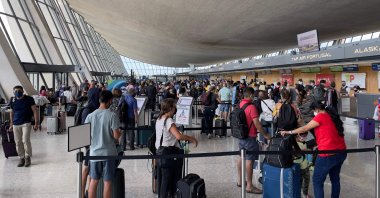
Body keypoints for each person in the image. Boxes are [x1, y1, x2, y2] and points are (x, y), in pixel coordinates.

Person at [280, 101, 346, 198]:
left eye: (313, 111)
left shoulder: (320, 116)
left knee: (317, 181)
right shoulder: (332, 116)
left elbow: (304, 129)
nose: (313, 113)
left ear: (317, 109)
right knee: (335, 179)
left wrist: (288, 132)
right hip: (341, 152)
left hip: (327, 154)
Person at [155, 98, 198, 198]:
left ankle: (166, 195)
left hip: (160, 151)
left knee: (165, 176)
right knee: (169, 177)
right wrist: (192, 139)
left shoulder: (159, 118)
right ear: (170, 108)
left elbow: (167, 134)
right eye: (174, 107)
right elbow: (178, 136)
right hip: (168, 152)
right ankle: (168, 194)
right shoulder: (169, 120)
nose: (175, 109)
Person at [85, 90, 121, 198]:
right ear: (110, 101)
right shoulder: (112, 116)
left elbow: (86, 137)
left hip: (94, 153)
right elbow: (116, 136)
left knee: (93, 181)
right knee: (107, 182)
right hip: (109, 154)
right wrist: (119, 133)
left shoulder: (90, 116)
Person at [237, 87, 271, 194]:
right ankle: (249, 186)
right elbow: (257, 123)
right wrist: (265, 134)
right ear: (251, 95)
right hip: (250, 136)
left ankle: (240, 180)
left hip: (241, 135)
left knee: (241, 156)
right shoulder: (251, 107)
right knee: (250, 160)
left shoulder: (240, 104)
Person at [9, 85, 38, 167]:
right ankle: (21, 158)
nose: (17, 92)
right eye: (15, 91)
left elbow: (35, 111)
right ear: (13, 92)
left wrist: (36, 123)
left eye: (19, 90)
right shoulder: (12, 100)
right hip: (16, 123)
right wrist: (11, 124)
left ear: (22, 91)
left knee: (25, 140)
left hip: (26, 122)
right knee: (18, 142)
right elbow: (11, 112)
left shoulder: (29, 99)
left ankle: (27, 157)